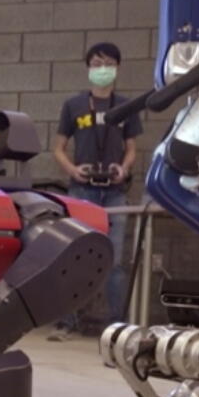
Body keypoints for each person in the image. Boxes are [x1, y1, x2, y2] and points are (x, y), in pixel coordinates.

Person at [49, 42, 142, 341]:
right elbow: (58, 148)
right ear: (89, 67)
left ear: (117, 67)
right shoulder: (74, 105)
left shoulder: (126, 105)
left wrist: (124, 168)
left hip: (114, 192)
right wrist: (72, 170)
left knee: (114, 261)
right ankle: (68, 321)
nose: (103, 69)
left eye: (109, 63)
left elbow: (131, 149)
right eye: (97, 63)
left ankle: (117, 325)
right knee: (76, 256)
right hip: (82, 190)